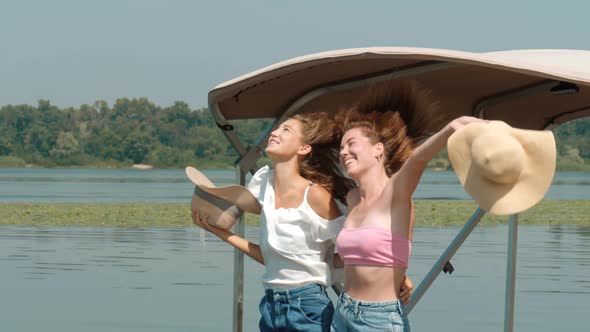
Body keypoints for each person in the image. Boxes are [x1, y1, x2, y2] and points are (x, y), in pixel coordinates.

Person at [192, 112, 414, 332]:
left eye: (285, 130)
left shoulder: (317, 196)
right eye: (277, 128)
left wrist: (396, 275)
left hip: (308, 306)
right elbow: (273, 260)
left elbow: (356, 247)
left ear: (303, 148)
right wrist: (219, 232)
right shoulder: (264, 187)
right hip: (270, 305)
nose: (275, 133)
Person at [332, 82, 487, 331]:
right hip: (343, 312)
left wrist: (451, 128)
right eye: (341, 147)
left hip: (378, 320)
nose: (343, 152)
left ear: (378, 149)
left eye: (351, 144)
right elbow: (370, 254)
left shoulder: (395, 193)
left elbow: (418, 159)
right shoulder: (352, 198)